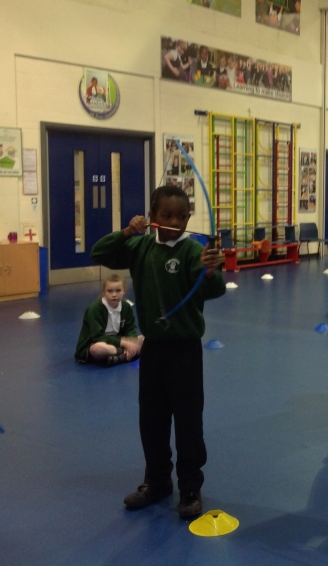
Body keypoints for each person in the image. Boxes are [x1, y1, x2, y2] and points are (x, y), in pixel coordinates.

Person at [90, 185, 226, 520]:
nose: (174, 223)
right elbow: (99, 252)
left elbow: (214, 290)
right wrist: (127, 232)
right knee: (151, 420)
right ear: (152, 217)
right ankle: (157, 481)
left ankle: (190, 486)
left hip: (185, 351)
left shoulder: (192, 251)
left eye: (181, 217)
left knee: (188, 421)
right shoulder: (140, 247)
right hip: (152, 350)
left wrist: (210, 271)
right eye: (165, 215)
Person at [74, 274, 143, 366]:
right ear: (104, 291)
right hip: (98, 342)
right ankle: (129, 353)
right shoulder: (95, 309)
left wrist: (132, 342)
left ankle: (119, 356)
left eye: (118, 290)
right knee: (98, 349)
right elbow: (98, 336)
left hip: (117, 340)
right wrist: (125, 343)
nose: (114, 295)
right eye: (110, 291)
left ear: (124, 291)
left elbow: (131, 328)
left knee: (144, 338)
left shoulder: (126, 306)